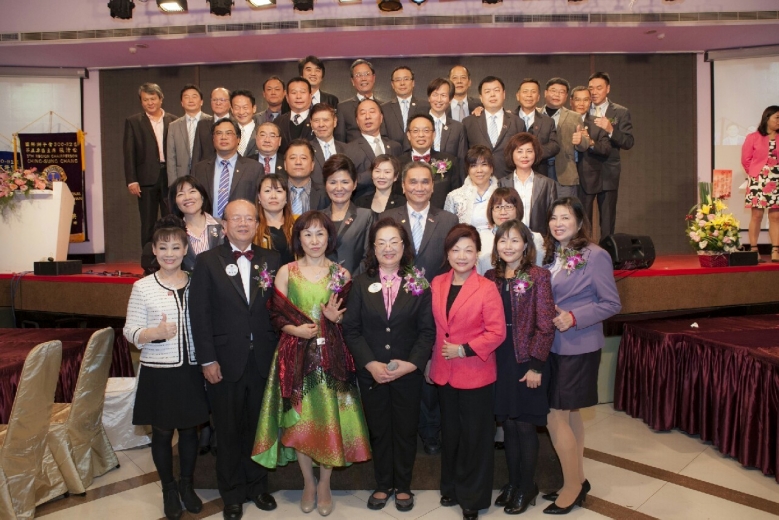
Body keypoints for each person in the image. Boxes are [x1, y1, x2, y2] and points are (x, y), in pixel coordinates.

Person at [252, 211, 371, 517]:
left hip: (332, 358)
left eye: (320, 234)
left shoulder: (341, 275)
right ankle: (308, 482)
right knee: (301, 422)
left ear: (329, 238)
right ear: (299, 239)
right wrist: (294, 330)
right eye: (307, 234)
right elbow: (275, 314)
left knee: (329, 420)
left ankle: (325, 484)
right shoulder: (286, 272)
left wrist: (336, 319)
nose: (314, 240)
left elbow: (350, 318)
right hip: (294, 355)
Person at [189, 200, 281, 520]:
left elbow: (280, 310)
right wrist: (207, 360)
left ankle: (257, 486)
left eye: (249, 218)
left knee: (259, 427)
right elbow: (199, 315)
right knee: (227, 430)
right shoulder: (207, 261)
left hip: (263, 359)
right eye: (236, 218)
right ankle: (231, 493)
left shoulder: (272, 260)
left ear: (257, 224)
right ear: (224, 225)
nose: (243, 223)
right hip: (224, 360)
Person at [343, 218, 436, 512]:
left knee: (406, 430)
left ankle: (404, 486)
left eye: (394, 241)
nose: (388, 248)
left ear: (404, 246)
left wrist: (411, 365)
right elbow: (351, 330)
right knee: (380, 430)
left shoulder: (418, 283)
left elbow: (427, 332)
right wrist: (370, 364)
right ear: (373, 248)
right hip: (373, 374)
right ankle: (383, 484)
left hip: (406, 373)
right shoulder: (360, 284)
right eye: (381, 242)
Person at [124, 215, 209, 520]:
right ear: (154, 251)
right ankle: (168, 489)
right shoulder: (143, 287)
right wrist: (153, 333)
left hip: (192, 369)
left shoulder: (198, 283)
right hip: (159, 371)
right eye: (163, 248)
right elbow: (130, 331)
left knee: (189, 431)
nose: (169, 253)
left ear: (186, 249)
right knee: (162, 433)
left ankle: (187, 485)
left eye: (175, 247)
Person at [541, 197, 621, 515]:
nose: (558, 223)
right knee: (570, 413)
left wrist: (574, 317)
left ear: (578, 222)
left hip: (578, 345)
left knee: (554, 415)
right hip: (553, 346)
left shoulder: (595, 255)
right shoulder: (551, 255)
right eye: (553, 217)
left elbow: (611, 303)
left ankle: (572, 488)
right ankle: (578, 479)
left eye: (565, 217)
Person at [380, 161, 459, 456]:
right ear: (403, 186)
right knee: (400, 361)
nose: (419, 187)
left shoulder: (448, 219)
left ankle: (430, 430)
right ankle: (402, 430)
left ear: (433, 186)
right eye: (412, 182)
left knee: (429, 364)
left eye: (425, 181)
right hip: (395, 305)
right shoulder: (388, 217)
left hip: (436, 302)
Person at [428, 224, 506, 520]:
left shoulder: (486, 288)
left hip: (475, 373)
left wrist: (464, 349)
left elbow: (497, 332)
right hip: (444, 372)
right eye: (455, 249)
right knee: (452, 434)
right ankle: (451, 486)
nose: (461, 256)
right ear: (447, 253)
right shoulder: (437, 283)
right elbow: (434, 328)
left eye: (468, 250)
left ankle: (473, 497)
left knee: (476, 437)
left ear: (477, 255)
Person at [484, 220, 555, 515]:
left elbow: (546, 324)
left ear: (526, 245)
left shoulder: (538, 276)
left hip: (527, 361)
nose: (508, 246)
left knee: (525, 426)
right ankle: (514, 483)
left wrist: (537, 366)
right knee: (509, 426)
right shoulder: (491, 277)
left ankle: (528, 486)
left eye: (515, 240)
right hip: (499, 360)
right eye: (503, 240)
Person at [123, 82, 177, 246]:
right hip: (146, 179)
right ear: (141, 102)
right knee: (148, 222)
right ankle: (148, 258)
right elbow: (129, 152)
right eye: (145, 100)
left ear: (161, 99)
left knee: (172, 219)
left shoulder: (174, 121)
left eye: (153, 99)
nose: (150, 103)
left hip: (170, 177)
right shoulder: (133, 122)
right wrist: (132, 180)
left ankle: (174, 254)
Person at [587, 72, 635, 238]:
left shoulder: (620, 112)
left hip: (608, 172)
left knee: (607, 220)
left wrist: (611, 130)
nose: (594, 92)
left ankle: (606, 252)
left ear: (608, 89)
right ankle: (584, 252)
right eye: (591, 88)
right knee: (583, 219)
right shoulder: (582, 109)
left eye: (599, 88)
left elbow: (628, 142)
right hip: (585, 170)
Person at [444, 145, 499, 274]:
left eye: (484, 164)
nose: (479, 170)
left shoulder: (502, 195)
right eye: (473, 165)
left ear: (491, 168)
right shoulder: (454, 196)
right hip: (465, 251)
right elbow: (449, 231)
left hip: (497, 248)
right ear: (467, 169)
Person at [191, 119, 262, 220]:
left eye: (228, 133)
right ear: (213, 139)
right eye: (219, 133)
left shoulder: (254, 168)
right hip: (206, 225)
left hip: (242, 226)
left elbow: (258, 203)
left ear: (238, 139)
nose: (223, 137)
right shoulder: (199, 169)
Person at [321, 154, 374, 276]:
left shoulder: (366, 216)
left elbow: (369, 257)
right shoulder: (318, 218)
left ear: (354, 184)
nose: (339, 188)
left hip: (355, 283)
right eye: (333, 182)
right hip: (320, 285)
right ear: (325, 185)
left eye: (345, 182)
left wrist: (347, 281)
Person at [462, 76, 525, 178]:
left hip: (509, 179)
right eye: (487, 91)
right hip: (479, 180)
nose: (492, 94)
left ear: (504, 94)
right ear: (481, 97)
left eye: (496, 90)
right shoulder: (468, 122)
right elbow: (464, 155)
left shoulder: (517, 122)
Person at [568, 87, 612, 224]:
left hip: (587, 179)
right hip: (563, 177)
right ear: (571, 101)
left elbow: (606, 149)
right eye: (578, 99)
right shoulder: (561, 121)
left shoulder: (598, 123)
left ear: (590, 102)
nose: (581, 103)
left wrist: (590, 142)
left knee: (585, 220)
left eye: (586, 100)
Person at [498, 132, 557, 236]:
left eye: (529, 151)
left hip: (540, 240)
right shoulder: (502, 183)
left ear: (536, 153)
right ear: (511, 154)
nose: (524, 156)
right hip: (510, 239)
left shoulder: (548, 184)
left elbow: (553, 216)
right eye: (519, 151)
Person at [541, 78, 591, 199]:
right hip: (539, 169)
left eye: (561, 92)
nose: (557, 94)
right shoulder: (535, 114)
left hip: (565, 172)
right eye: (553, 90)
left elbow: (584, 145)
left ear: (566, 96)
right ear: (545, 93)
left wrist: (580, 141)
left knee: (565, 208)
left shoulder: (575, 116)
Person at [399, 114, 462, 209]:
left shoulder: (450, 161)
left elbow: (456, 194)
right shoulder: (397, 164)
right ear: (408, 135)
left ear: (434, 135)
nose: (421, 135)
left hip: (442, 215)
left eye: (426, 131)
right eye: (415, 131)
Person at [742, 105, 779, 261]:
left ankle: (775, 250)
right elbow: (746, 160)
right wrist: (756, 174)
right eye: (777, 117)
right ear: (767, 118)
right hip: (758, 180)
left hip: (777, 180)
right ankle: (754, 249)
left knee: (775, 217)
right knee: (757, 215)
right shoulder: (753, 137)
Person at [483, 187, 545, 270]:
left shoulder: (534, 238)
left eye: (508, 206)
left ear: (517, 209)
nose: (503, 212)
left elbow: (539, 271)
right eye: (497, 207)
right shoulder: (482, 238)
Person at [310, 103, 370, 186]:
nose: (321, 125)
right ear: (311, 123)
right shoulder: (306, 150)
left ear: (335, 122)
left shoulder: (349, 150)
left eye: (326, 120)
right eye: (316, 121)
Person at [515, 79, 560, 179]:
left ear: (538, 97)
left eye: (533, 92)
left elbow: (554, 146)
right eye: (525, 91)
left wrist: (533, 153)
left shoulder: (548, 121)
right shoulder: (507, 119)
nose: (529, 95)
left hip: (540, 174)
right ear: (518, 96)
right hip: (512, 173)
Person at [167, 84, 210, 185]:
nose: (190, 100)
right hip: (182, 176)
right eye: (186, 97)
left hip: (206, 174)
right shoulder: (173, 126)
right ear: (182, 103)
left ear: (201, 101)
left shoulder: (210, 122)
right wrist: (173, 183)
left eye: (194, 96)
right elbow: (171, 157)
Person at [382, 66, 429, 152]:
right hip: (393, 155)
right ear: (392, 85)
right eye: (398, 80)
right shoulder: (383, 109)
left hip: (420, 154)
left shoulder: (426, 106)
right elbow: (383, 136)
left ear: (413, 83)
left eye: (406, 79)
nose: (402, 83)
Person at [335, 59, 382, 143]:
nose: (363, 78)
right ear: (353, 81)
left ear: (373, 78)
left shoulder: (384, 106)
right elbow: (340, 141)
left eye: (367, 74)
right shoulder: (343, 108)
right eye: (358, 75)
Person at [254, 174, 295, 265]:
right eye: (267, 191)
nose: (273, 196)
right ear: (259, 197)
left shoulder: (298, 224)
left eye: (279, 191)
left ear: (286, 197)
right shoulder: (252, 228)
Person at [428, 77, 467, 165]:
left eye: (443, 95)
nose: (439, 99)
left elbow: (462, 159)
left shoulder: (458, 128)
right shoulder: (417, 123)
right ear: (429, 98)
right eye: (435, 94)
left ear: (450, 99)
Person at [285, 138, 329, 216]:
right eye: (292, 158)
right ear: (285, 165)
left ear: (312, 165)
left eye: (303, 158)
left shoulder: (325, 193)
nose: (298, 162)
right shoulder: (275, 192)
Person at [275, 77, 314, 154]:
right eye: (294, 92)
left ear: (310, 96)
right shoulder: (278, 122)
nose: (298, 96)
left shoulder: (318, 121)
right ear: (287, 98)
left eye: (303, 92)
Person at [193, 87, 230, 162]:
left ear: (230, 103)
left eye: (222, 100)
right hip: (206, 168)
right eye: (214, 100)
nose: (218, 103)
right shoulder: (202, 124)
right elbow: (196, 154)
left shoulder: (236, 123)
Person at [230, 89, 260, 158]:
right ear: (232, 110)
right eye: (237, 108)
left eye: (245, 107)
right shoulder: (227, 132)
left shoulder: (261, 131)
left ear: (254, 108)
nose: (241, 112)